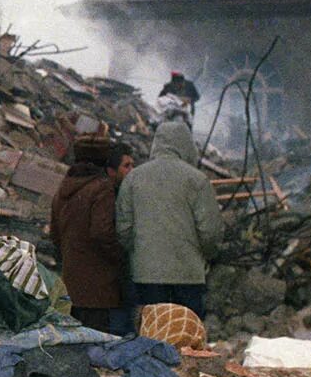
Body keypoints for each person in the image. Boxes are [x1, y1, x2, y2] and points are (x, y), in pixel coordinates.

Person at [116, 119, 223, 321]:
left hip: (146, 275)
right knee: (186, 335)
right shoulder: (197, 180)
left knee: (152, 332)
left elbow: (123, 230)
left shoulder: (133, 179)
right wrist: (205, 256)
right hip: (188, 275)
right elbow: (210, 231)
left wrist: (138, 254)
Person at [49, 136, 135, 335]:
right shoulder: (102, 188)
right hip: (99, 287)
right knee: (98, 343)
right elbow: (101, 232)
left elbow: (55, 234)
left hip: (71, 283)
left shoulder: (64, 187)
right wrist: (121, 257)